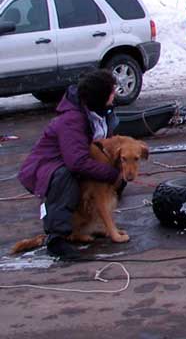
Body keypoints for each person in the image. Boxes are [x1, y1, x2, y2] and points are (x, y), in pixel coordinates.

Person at [17, 70, 123, 259]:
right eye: (112, 91)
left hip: (72, 162)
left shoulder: (101, 113)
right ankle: (56, 238)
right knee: (66, 178)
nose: (115, 93)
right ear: (100, 95)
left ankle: (92, 224)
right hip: (48, 167)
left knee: (112, 179)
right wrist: (112, 173)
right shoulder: (71, 119)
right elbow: (78, 162)